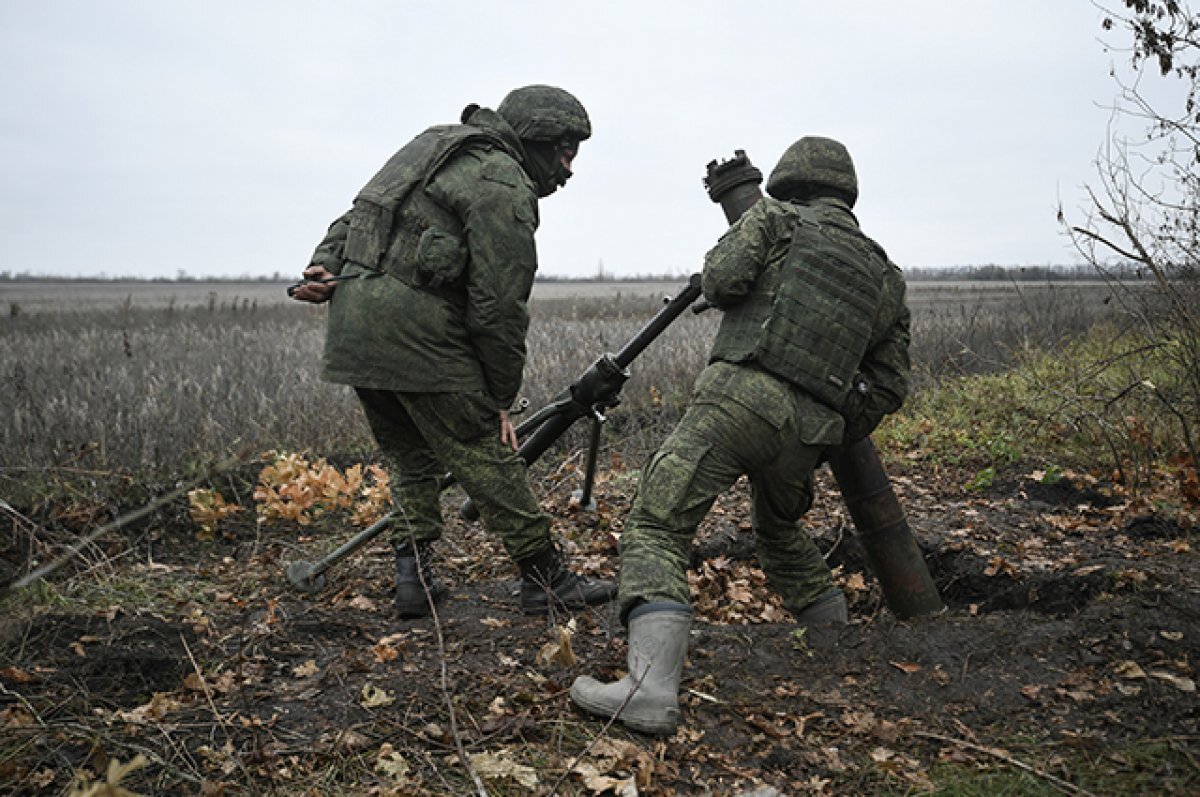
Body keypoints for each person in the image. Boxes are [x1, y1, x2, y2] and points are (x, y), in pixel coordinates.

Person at [569, 136, 911, 734]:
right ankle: (840, 656)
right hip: (809, 434)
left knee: (657, 524)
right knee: (780, 534)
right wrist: (827, 425)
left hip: (736, 401)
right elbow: (887, 387)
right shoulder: (886, 276)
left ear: (789, 185)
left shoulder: (775, 219)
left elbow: (723, 282)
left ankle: (649, 689)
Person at [290, 85, 617, 619]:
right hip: (416, 335)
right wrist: (499, 398)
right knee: (485, 451)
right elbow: (500, 307)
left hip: (355, 332)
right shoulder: (504, 184)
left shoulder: (433, 144)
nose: (569, 168)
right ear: (534, 139)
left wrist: (324, 261)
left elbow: (361, 210)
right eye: (565, 151)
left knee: (411, 457)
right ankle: (545, 578)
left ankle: (412, 582)